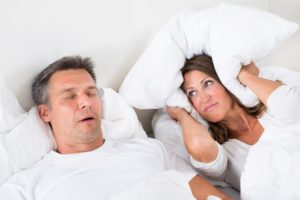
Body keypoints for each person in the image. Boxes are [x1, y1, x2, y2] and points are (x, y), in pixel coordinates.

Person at [0, 56, 231, 200]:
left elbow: (206, 192)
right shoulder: (27, 186)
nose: (86, 102)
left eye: (91, 93)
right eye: (70, 96)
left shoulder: (151, 150)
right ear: (45, 113)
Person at [164, 54, 300, 191]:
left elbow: (292, 106)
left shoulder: (270, 108)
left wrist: (242, 74)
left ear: (225, 81)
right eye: (192, 93)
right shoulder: (223, 152)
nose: (204, 98)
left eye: (208, 83)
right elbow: (199, 144)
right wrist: (181, 115)